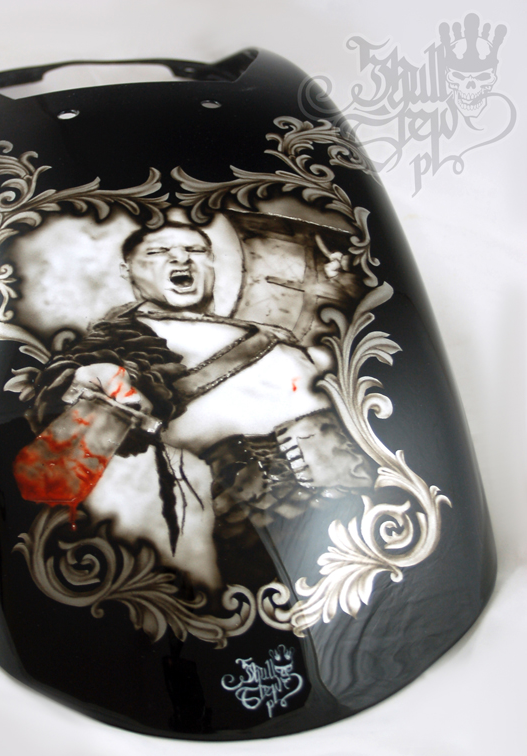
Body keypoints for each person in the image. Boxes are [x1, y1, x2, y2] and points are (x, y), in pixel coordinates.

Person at [20, 221, 375, 586]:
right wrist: (93, 379)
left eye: (195, 250)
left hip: (358, 485)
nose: (181, 259)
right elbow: (88, 377)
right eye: (158, 252)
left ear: (212, 262)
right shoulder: (131, 335)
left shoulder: (260, 330)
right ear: (128, 269)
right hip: (274, 509)